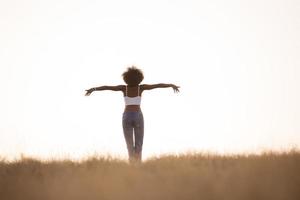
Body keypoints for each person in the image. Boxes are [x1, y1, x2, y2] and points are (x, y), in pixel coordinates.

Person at [85, 66, 180, 163]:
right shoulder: (141, 87)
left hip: (126, 116)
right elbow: (157, 85)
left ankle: (132, 164)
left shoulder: (123, 88)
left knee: (129, 144)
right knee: (139, 143)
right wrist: (171, 85)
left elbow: (107, 87)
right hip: (138, 116)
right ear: (139, 78)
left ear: (126, 78)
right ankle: (138, 164)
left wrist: (94, 89)